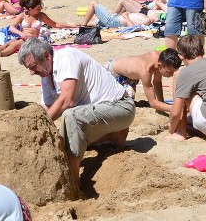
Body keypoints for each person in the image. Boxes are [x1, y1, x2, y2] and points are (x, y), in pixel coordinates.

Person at [18, 37, 135, 182]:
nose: (31, 72)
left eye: (33, 66)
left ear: (46, 56)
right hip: (100, 111)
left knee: (71, 116)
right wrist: (32, 125)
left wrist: (40, 125)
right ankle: (111, 135)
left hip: (121, 107)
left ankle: (73, 181)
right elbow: (47, 107)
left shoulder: (67, 57)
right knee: (66, 134)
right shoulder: (46, 74)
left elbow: (67, 100)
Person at [0, 0, 79, 57]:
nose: (39, 10)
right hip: (23, 38)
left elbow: (54, 24)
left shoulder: (41, 16)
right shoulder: (22, 15)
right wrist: (20, 33)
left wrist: (71, 25)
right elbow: (11, 27)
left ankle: (0, 54)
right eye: (37, 8)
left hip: (33, 40)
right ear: (30, 8)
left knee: (16, 44)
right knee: (10, 42)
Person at [103, 49, 182, 111]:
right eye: (169, 72)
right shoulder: (145, 70)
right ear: (160, 66)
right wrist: (175, 109)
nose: (172, 75)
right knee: (126, 103)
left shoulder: (162, 58)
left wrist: (162, 104)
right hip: (111, 71)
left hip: (130, 76)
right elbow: (153, 103)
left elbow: (157, 82)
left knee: (129, 98)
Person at [80, 0, 155, 28]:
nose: (155, 14)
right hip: (115, 19)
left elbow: (132, 27)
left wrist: (126, 16)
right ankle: (74, 24)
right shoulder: (145, 17)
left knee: (93, 3)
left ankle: (83, 26)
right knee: (91, 20)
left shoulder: (146, 20)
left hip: (113, 21)